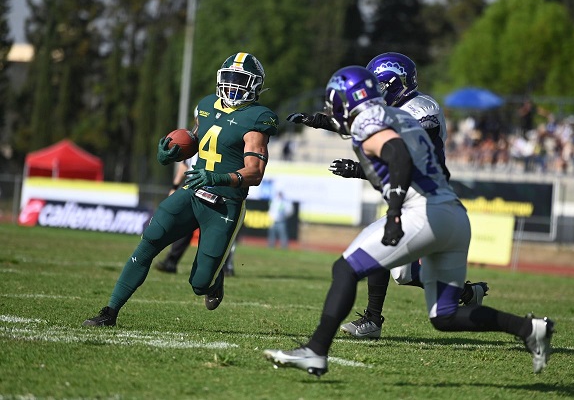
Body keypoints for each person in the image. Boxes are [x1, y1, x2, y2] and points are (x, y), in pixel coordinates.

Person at [264, 66, 554, 376]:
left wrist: (394, 212)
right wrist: (320, 121)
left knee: (345, 268)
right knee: (444, 317)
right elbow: (369, 132)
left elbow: (397, 154)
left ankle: (316, 351)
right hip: (453, 216)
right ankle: (529, 328)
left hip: (422, 211)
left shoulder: (372, 121)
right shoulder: (398, 117)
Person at [287, 52, 488, 339]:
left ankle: (371, 321)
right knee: (403, 274)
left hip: (427, 197)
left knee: (377, 253)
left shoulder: (422, 108)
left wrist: (358, 169)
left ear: (396, 84)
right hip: (408, 196)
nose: (372, 94)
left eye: (377, 86)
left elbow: (401, 153)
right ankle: (468, 293)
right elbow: (363, 124)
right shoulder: (393, 110)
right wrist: (318, 120)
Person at [83, 52, 278, 326]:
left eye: (241, 80)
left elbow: (255, 172)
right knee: (149, 241)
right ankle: (110, 312)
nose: (234, 85)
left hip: (225, 204)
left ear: (255, 85)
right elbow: (196, 140)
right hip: (192, 192)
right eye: (230, 79)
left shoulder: (258, 118)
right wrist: (172, 154)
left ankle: (213, 279)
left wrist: (218, 178)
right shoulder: (207, 105)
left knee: (199, 283)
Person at [155, 155, 236, 277]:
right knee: (183, 226)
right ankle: (171, 261)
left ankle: (225, 266)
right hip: (192, 187)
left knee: (216, 230)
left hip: (213, 188)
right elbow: (185, 163)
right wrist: (175, 186)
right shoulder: (195, 140)